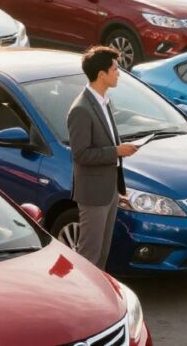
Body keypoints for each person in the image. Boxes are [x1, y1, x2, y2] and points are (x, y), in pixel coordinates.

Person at [67, 46, 138, 269]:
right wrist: (116, 151)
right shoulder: (81, 109)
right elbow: (80, 154)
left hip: (109, 192)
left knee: (103, 254)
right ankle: (82, 301)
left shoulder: (104, 102)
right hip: (93, 195)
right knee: (89, 256)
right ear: (101, 74)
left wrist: (117, 189)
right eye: (116, 69)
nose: (119, 73)